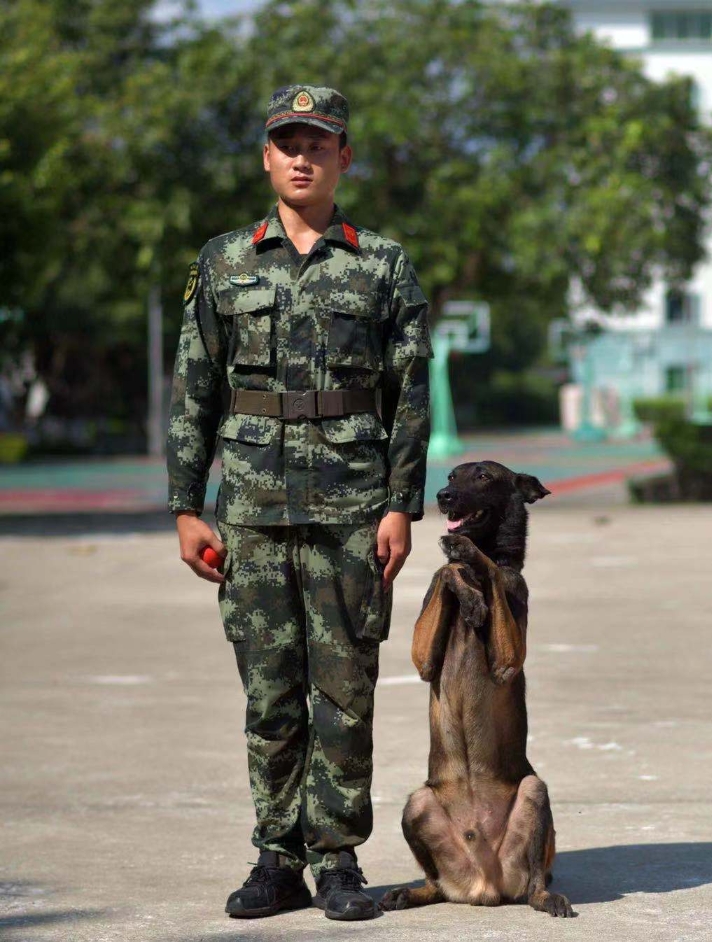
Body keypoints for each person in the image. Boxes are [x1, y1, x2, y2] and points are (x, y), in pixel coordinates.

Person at [166, 85, 432, 921]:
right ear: (267, 156)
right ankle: (276, 857)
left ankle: (339, 859)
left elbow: (409, 396)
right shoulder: (224, 263)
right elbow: (194, 391)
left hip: (353, 513)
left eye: (318, 141)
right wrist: (184, 505)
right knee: (270, 693)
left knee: (345, 690)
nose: (302, 155)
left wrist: (401, 505)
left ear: (344, 156)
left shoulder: (382, 264)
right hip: (248, 510)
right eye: (287, 141)